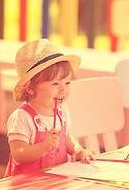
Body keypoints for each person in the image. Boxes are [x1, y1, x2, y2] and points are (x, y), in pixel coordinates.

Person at [5, 39, 95, 177]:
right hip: (27, 184)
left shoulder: (62, 111)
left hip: (54, 180)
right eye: (55, 84)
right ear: (30, 87)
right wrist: (43, 147)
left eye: (67, 82)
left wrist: (78, 150)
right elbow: (18, 154)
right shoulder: (22, 117)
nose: (63, 90)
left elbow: (66, 138)